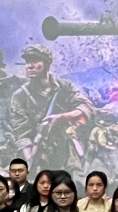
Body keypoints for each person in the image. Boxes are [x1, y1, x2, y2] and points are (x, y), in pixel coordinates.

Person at [9, 45, 97, 174]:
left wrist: (62, 117)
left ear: (46, 64)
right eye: (27, 62)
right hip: (38, 150)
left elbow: (87, 106)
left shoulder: (64, 86)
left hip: (66, 148)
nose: (29, 66)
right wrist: (30, 160)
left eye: (35, 61)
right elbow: (21, 131)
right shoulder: (20, 96)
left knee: (76, 179)